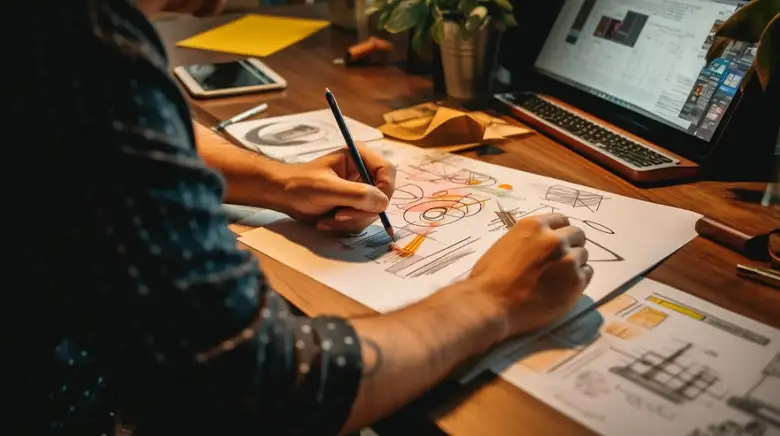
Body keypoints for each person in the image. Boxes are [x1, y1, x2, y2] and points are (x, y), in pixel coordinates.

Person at [9, 0, 592, 435]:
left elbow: (129, 130)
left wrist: (279, 182)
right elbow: (259, 386)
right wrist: (493, 299)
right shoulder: (72, 40)